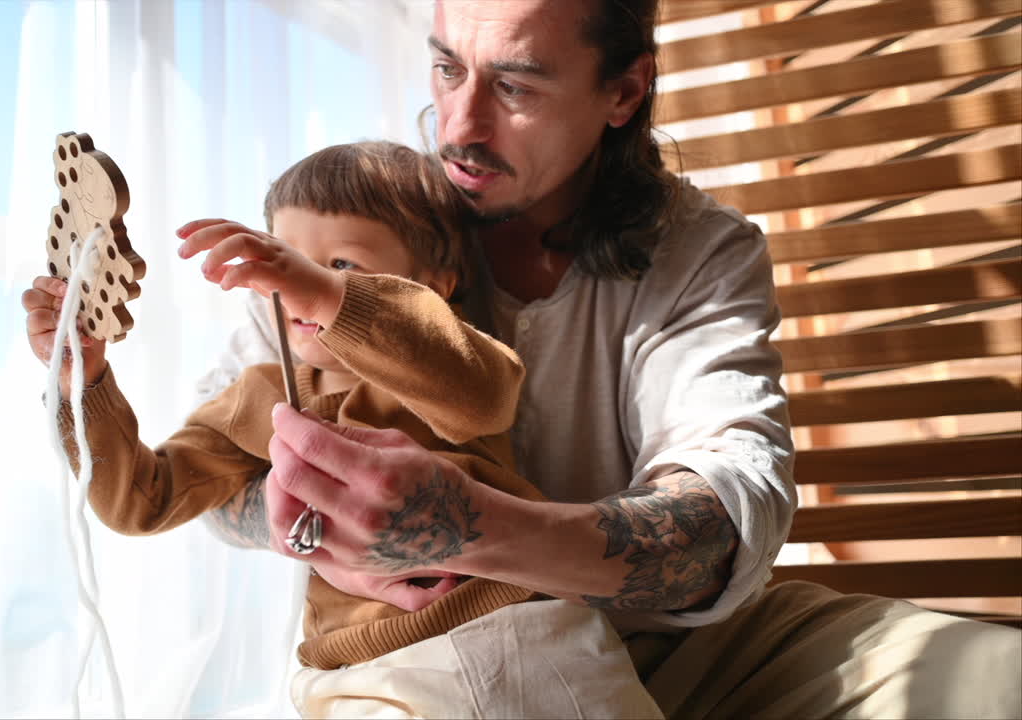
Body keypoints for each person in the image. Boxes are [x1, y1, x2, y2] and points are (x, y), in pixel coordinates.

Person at [182, 1, 1022, 718]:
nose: (460, 127)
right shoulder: (366, 221)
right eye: (446, 70)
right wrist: (316, 530)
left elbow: (727, 507)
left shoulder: (701, 251)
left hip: (697, 654)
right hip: (431, 652)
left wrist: (478, 530)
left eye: (515, 85)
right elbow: (212, 475)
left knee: (993, 680)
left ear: (623, 92)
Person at [23, 140, 663, 717]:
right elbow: (142, 500)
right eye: (283, 260)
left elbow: (487, 397)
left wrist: (328, 295)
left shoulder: (441, 363)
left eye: (342, 265)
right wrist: (83, 384)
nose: (293, 284)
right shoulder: (256, 396)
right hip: (356, 674)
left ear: (437, 284)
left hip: (516, 640)